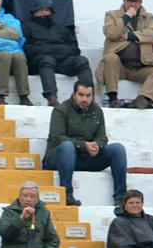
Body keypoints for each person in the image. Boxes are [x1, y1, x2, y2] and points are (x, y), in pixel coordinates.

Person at [46, 80, 126, 208]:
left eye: (88, 95)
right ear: (74, 94)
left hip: (86, 158)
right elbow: (57, 137)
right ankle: (67, 194)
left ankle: (121, 197)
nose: (84, 99)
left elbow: (102, 137)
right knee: (67, 146)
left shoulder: (97, 111)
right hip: (61, 158)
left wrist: (97, 145)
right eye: (81, 95)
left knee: (118, 149)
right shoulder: (61, 110)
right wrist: (84, 145)